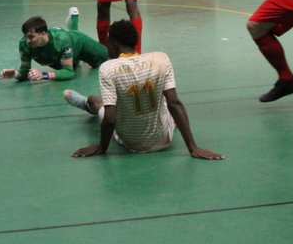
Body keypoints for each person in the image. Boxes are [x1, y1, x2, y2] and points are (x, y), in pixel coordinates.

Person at [63, 20, 222, 160]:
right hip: (163, 139)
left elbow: (111, 118)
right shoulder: (160, 59)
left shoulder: (108, 68)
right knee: (166, 102)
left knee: (95, 101)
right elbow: (176, 104)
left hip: (132, 143)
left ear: (114, 43)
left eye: (108, 41)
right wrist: (194, 148)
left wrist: (101, 148)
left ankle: (85, 103)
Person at [0, 16, 108, 82]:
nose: (27, 40)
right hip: (61, 57)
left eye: (31, 37)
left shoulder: (61, 40)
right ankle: (73, 24)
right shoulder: (24, 44)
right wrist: (14, 74)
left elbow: (68, 73)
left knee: (106, 57)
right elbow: (24, 72)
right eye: (26, 36)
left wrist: (43, 75)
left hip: (81, 44)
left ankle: (74, 24)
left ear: (43, 34)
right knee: (71, 64)